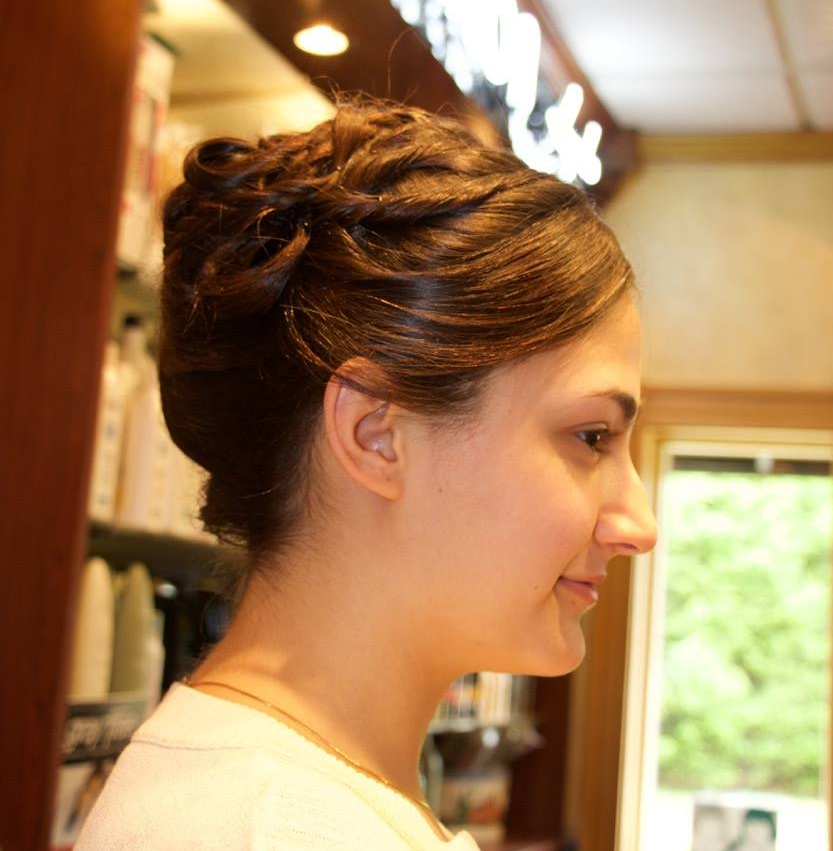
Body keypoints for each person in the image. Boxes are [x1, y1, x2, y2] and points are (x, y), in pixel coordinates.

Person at [75, 95, 657, 850]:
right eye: (591, 436)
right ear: (376, 435)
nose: (639, 524)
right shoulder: (277, 828)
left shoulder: (284, 799)